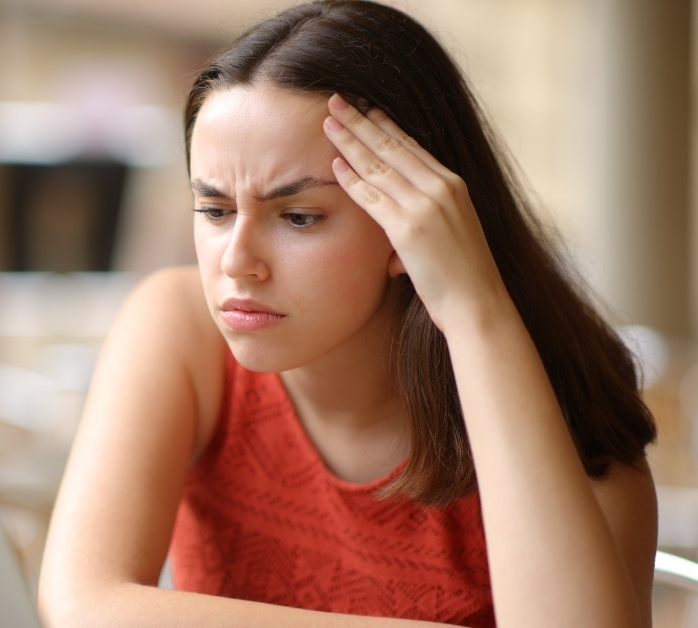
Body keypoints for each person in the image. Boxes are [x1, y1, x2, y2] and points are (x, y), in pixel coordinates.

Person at [37, 1, 658, 626]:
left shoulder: (569, 417)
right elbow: (82, 606)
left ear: (413, 224)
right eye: (216, 211)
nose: (237, 262)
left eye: (299, 216)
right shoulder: (181, 326)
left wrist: (474, 308)